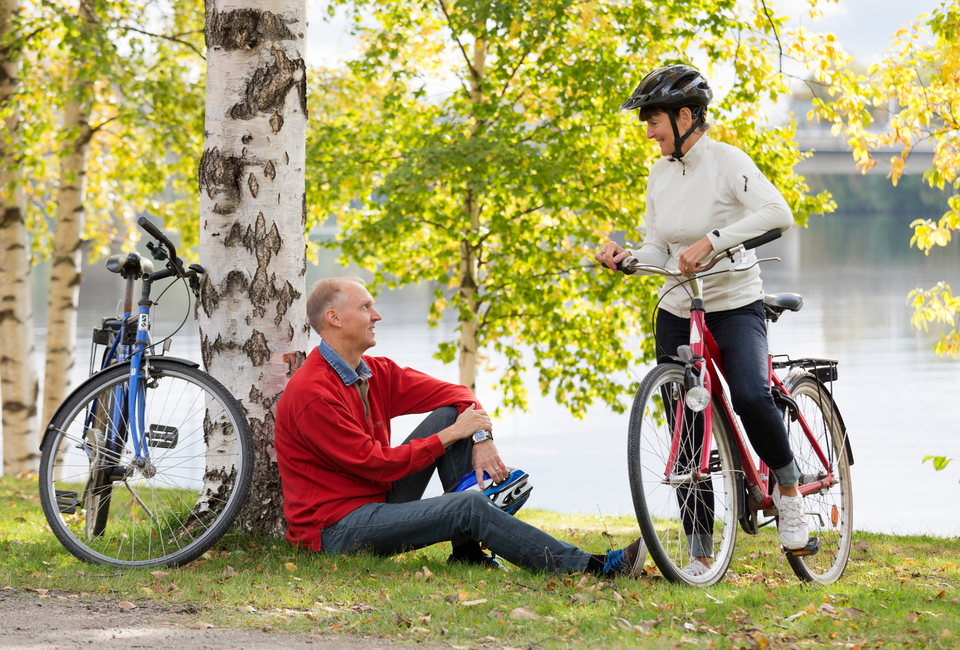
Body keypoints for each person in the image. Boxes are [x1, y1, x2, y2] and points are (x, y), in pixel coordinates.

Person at [274, 275, 646, 577]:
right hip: (334, 530)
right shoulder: (314, 393)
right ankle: (588, 567)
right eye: (366, 307)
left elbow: (456, 393)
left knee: (450, 413)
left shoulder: (374, 371)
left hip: (374, 497)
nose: (377, 316)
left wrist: (479, 435)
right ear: (335, 319)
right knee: (467, 505)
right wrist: (449, 435)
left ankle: (467, 552)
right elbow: (374, 463)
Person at [594, 64, 809, 573]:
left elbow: (778, 213)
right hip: (676, 305)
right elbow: (656, 243)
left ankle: (790, 490)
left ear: (686, 115)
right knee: (686, 428)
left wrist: (713, 242)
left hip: (734, 302)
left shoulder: (727, 162)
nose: (648, 131)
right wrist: (627, 258)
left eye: (654, 120)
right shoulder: (659, 172)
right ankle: (699, 551)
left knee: (752, 395)